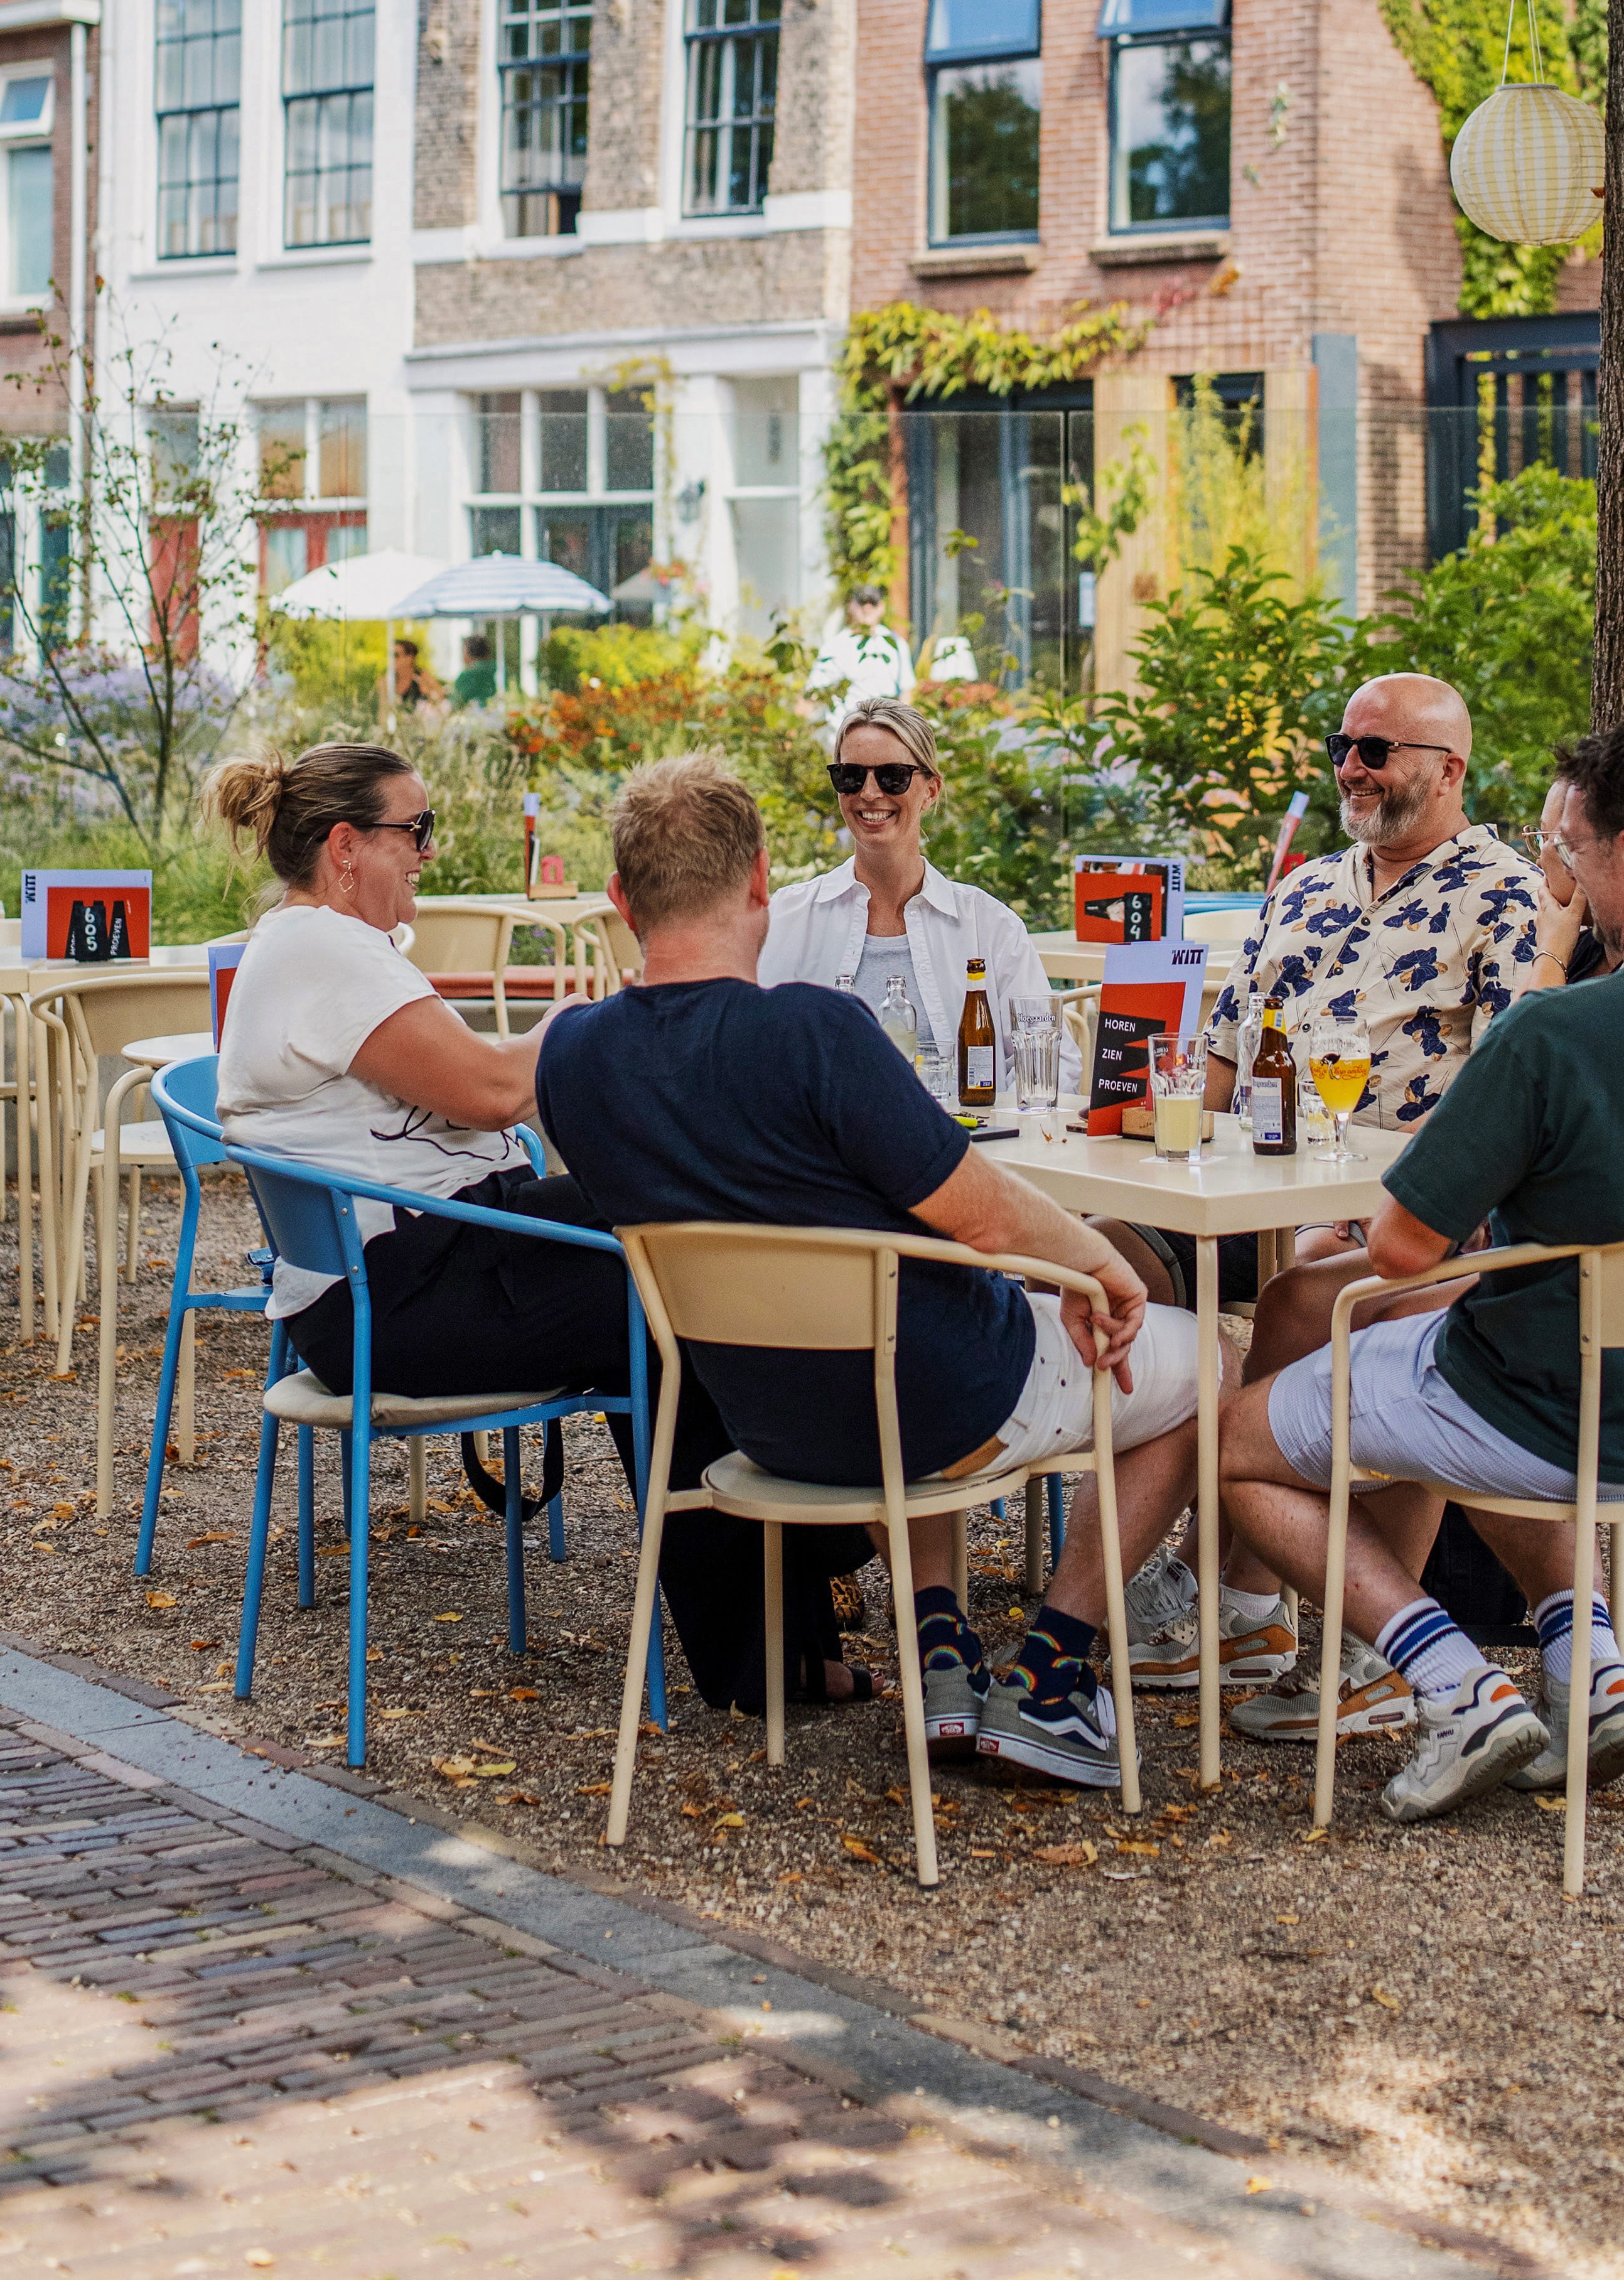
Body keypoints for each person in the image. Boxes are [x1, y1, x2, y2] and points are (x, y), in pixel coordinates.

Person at [1217, 717, 1624, 1826]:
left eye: (1570, 851)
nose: (1557, 877)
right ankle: (1593, 1665)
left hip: (1558, 1414)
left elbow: (1398, 1249)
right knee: (1489, 1365)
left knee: (1240, 1443)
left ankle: (1450, 1680)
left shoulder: (1554, 1034)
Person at [537, 752, 1218, 1787]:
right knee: (1213, 1363)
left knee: (926, 1317)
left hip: (767, 1424)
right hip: (928, 1401)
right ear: (761, 880)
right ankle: (1053, 1679)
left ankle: (945, 1656)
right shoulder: (814, 1031)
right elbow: (984, 1213)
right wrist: (1103, 1271)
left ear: (621, 899)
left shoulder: (574, 1058)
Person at [209, 741, 864, 1716]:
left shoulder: (326, 947)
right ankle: (792, 1608)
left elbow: (474, 1092)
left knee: (693, 1225)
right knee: (678, 1285)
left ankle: (795, 1603)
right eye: (415, 831)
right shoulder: (318, 949)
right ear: (346, 847)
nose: (428, 852)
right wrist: (598, 1026)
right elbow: (489, 1090)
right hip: (399, 1291)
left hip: (418, 1265)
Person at [1100, 672, 1556, 1713]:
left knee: (1309, 1300)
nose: (1350, 765)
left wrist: (1400, 1199)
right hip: (1277, 1195)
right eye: (1343, 744)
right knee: (1109, 1248)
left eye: (1376, 750)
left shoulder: (1504, 894)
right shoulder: (1304, 889)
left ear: (1448, 772)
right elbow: (1217, 1064)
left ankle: (1265, 1614)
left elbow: (1506, 1094)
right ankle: (1243, 1609)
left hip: (1431, 1219)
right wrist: (1129, 1113)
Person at [760, 698, 1055, 1070]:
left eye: (892, 776)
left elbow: (1050, 1064)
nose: (869, 793)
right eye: (851, 775)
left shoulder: (991, 928)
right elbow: (747, 1053)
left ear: (931, 791)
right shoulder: (787, 919)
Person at [807, 583, 914, 717]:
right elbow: (813, 694)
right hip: (845, 729)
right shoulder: (835, 646)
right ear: (851, 606)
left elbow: (906, 691)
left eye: (873, 603)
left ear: (881, 608)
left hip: (884, 730)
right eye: (862, 602)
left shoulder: (896, 644)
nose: (867, 608)